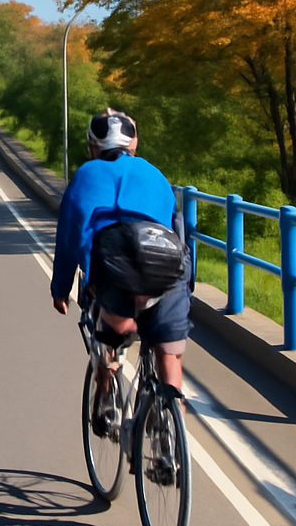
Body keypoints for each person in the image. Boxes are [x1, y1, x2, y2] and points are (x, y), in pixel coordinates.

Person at [51, 109, 192, 396]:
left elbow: (69, 238)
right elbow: (179, 233)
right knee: (169, 353)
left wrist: (60, 289)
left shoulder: (85, 175)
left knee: (110, 328)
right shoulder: (156, 175)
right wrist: (186, 287)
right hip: (167, 270)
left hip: (114, 271)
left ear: (92, 147)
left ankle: (106, 387)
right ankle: (172, 416)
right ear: (134, 144)